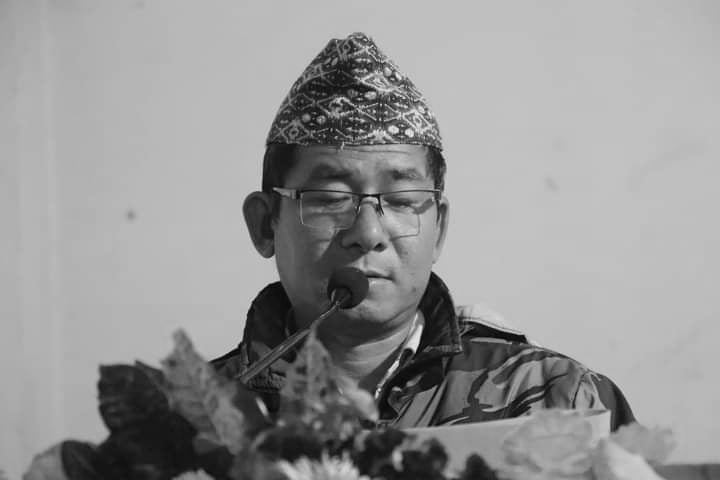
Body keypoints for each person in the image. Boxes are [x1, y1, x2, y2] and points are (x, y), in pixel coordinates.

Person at [212, 32, 634, 430]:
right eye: (330, 197)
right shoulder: (199, 419)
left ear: (440, 227)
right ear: (265, 224)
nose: (368, 233)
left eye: (401, 200)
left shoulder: (559, 403)